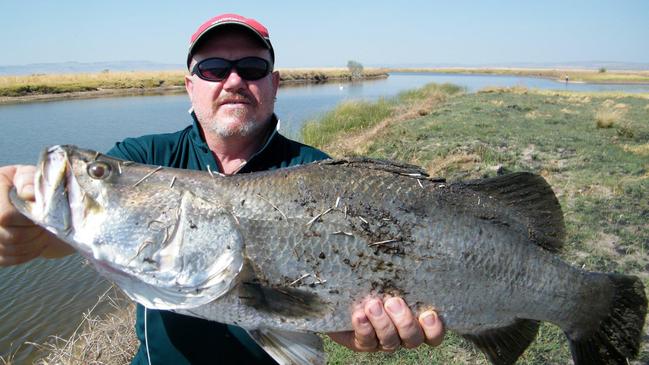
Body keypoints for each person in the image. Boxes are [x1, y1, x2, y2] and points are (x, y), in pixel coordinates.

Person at [0, 13, 444, 364]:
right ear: (189, 86)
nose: (233, 81)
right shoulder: (144, 158)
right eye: (213, 69)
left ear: (274, 82)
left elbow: (322, 323)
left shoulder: (322, 175)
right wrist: (24, 226)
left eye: (251, 67)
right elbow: (64, 236)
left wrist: (358, 333)